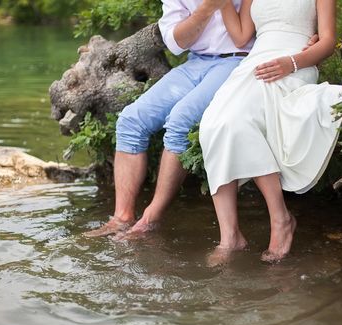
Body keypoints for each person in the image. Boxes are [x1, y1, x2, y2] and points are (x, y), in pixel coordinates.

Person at [83, 0, 255, 239]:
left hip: (238, 60)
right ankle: (122, 217)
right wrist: (206, 9)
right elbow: (176, 43)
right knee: (131, 121)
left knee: (180, 121)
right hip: (197, 61)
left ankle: (151, 217)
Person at [199, 0, 342, 265]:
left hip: (293, 63)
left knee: (240, 121)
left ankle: (281, 219)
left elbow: (327, 41)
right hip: (255, 63)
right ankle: (230, 236)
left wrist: (292, 62)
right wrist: (221, 4)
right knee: (212, 122)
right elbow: (242, 36)